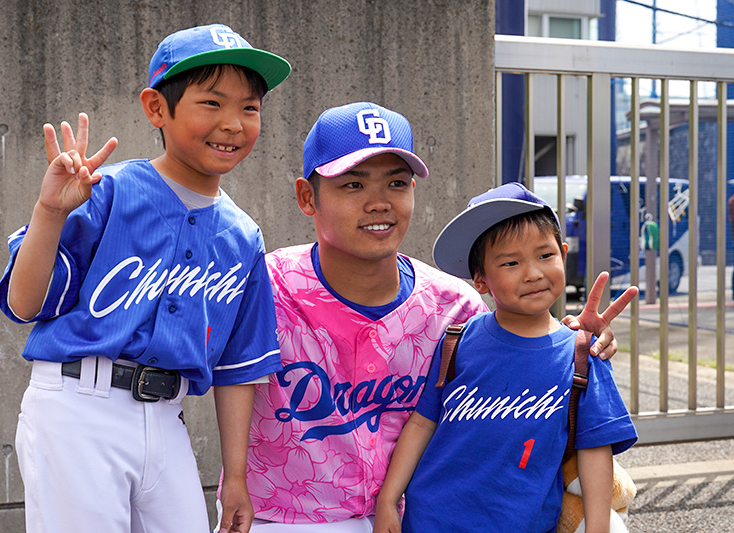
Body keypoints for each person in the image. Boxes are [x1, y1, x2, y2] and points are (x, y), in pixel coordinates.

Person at [240, 102, 637, 531]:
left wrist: (578, 340)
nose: (378, 203)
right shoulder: (262, 287)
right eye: (353, 184)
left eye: (397, 182)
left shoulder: (455, 309)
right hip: (283, 517)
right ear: (307, 197)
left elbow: (521, 347)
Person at [0, 24, 290, 533]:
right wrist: (48, 211)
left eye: (249, 108)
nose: (233, 123)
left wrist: (236, 476)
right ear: (157, 108)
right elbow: (25, 304)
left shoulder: (244, 235)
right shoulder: (107, 191)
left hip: (167, 419)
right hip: (80, 407)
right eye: (211, 103)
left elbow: (239, 368)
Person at [373, 182, 639, 532]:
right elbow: (423, 423)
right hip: (432, 520)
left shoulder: (582, 355)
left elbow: (595, 449)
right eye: (511, 262)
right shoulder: (457, 341)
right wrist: (388, 500)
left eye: (545, 255)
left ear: (563, 252)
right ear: (481, 279)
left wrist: (598, 528)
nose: (533, 273)